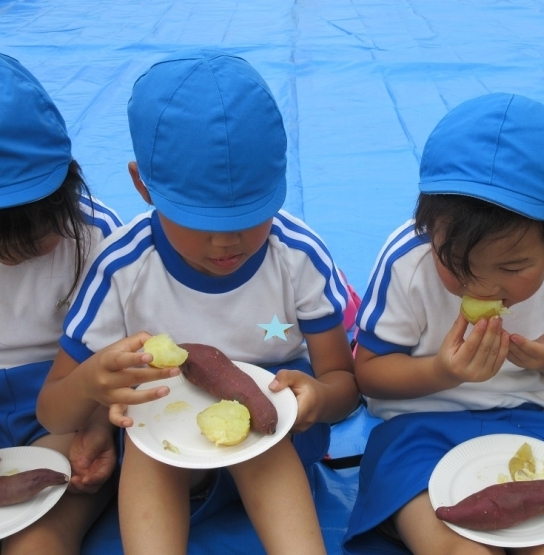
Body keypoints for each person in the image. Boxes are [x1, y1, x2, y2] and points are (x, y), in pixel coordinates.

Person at [35, 49, 359, 555]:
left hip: (281, 445)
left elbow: (345, 384)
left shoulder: (297, 257)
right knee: (150, 452)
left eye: (252, 215)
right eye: (202, 222)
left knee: (262, 447)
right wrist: (92, 384)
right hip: (167, 455)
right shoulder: (122, 269)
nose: (227, 243)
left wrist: (319, 399)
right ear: (142, 184)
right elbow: (53, 413)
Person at [342, 93, 544, 555]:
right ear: (429, 226)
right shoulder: (409, 260)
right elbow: (368, 374)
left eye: (512, 269)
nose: (482, 288)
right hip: (416, 430)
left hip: (533, 425)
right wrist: (441, 373)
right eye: (458, 266)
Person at [0, 53, 122, 553]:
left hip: (62, 404)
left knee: (40, 538)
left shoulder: (99, 239)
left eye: (44, 223)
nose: (27, 247)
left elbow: (120, 361)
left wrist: (96, 424)